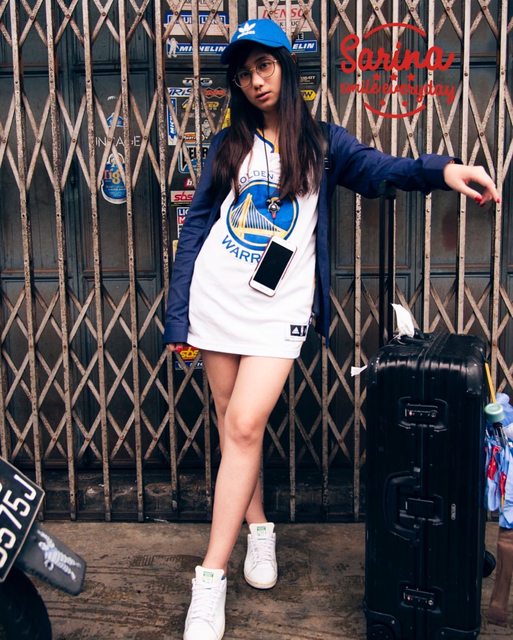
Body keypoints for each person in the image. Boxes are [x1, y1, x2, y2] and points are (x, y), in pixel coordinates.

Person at [163, 18, 501, 640]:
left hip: (277, 311)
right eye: (244, 72)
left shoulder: (322, 144)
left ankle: (209, 579)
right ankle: (258, 529)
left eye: (265, 66)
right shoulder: (228, 145)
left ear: (286, 68)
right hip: (217, 301)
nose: (255, 81)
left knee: (244, 425)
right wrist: (179, 313)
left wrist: (445, 169)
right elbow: (197, 227)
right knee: (234, 425)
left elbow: (384, 170)